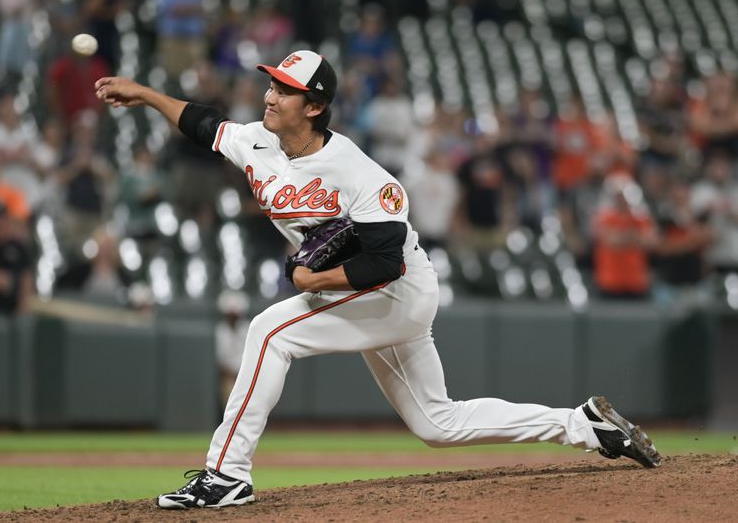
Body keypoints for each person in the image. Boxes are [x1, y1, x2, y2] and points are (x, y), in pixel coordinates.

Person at [94, 50, 661, 510]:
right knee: (437, 422)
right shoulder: (257, 141)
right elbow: (203, 125)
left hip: (396, 288)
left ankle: (225, 475)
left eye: (284, 90)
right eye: (271, 84)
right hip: (362, 293)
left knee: (271, 331)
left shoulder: (361, 173)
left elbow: (385, 261)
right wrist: (144, 95)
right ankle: (583, 426)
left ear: (313, 106)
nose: (270, 94)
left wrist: (317, 280)